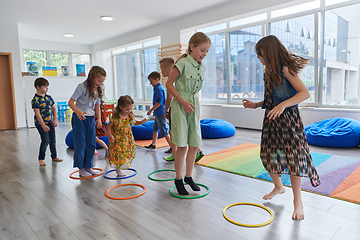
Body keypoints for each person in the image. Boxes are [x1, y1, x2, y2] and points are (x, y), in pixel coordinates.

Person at [242, 35, 320, 220]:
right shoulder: (268, 72)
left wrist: (284, 105)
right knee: (267, 154)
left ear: (269, 52)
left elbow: (304, 93)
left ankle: (297, 202)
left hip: (289, 122)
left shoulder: (286, 69)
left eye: (260, 54)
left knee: (293, 159)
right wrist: (255, 105)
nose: (258, 58)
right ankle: (278, 187)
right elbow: (271, 100)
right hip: (271, 120)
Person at [166, 32, 211, 195]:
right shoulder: (183, 63)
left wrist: (190, 102)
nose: (204, 54)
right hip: (180, 105)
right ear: (192, 47)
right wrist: (182, 101)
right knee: (182, 146)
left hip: (194, 105)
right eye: (202, 50)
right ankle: (178, 179)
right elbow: (169, 83)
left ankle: (189, 176)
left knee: (194, 145)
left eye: (207, 51)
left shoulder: (203, 67)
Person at [160, 58, 205, 162]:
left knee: (175, 132)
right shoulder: (180, 77)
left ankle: (176, 154)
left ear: (166, 69)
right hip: (185, 105)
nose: (161, 72)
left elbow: (169, 98)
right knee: (185, 131)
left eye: (161, 69)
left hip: (177, 108)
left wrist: (165, 110)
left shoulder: (173, 80)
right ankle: (196, 150)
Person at [68, 66, 106, 177]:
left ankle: (88, 166)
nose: (100, 83)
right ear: (92, 77)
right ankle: (81, 168)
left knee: (91, 143)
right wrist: (78, 111)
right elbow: (70, 102)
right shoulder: (81, 87)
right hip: (79, 118)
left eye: (102, 81)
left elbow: (97, 105)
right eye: (99, 81)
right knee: (81, 143)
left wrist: (98, 119)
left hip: (91, 119)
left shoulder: (98, 89)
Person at [107, 95, 147, 176]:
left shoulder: (130, 115)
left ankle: (121, 166)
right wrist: (110, 135)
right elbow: (109, 126)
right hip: (118, 139)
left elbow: (134, 122)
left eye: (130, 109)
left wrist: (141, 122)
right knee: (118, 154)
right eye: (127, 109)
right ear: (120, 107)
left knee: (125, 153)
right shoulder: (116, 116)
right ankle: (118, 169)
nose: (129, 111)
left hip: (127, 139)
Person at [31, 77, 63, 166]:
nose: (47, 89)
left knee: (53, 140)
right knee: (45, 140)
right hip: (40, 123)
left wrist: (55, 120)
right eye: (45, 87)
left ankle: (54, 156)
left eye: (47, 87)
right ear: (38, 87)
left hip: (50, 122)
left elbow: (54, 109)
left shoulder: (49, 98)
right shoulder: (35, 100)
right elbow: (37, 114)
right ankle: (41, 158)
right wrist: (43, 125)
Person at [144, 71, 173, 151]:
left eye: (151, 81)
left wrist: (150, 110)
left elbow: (159, 102)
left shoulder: (158, 89)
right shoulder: (157, 88)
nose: (150, 83)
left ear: (157, 80)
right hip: (157, 113)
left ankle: (172, 147)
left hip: (160, 113)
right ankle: (153, 144)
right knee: (155, 129)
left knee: (164, 131)